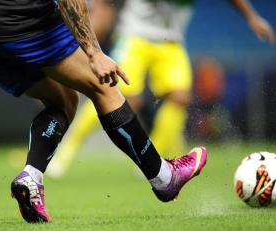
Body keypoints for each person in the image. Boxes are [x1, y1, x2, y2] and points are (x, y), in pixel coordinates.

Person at [0, 0, 207, 223]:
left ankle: (31, 177)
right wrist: (94, 53)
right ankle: (164, 177)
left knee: (63, 100)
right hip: (25, 23)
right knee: (105, 87)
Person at [47, 0, 275, 178]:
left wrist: (252, 17)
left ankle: (153, 160)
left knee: (180, 97)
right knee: (115, 94)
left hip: (171, 41)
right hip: (135, 36)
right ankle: (65, 151)